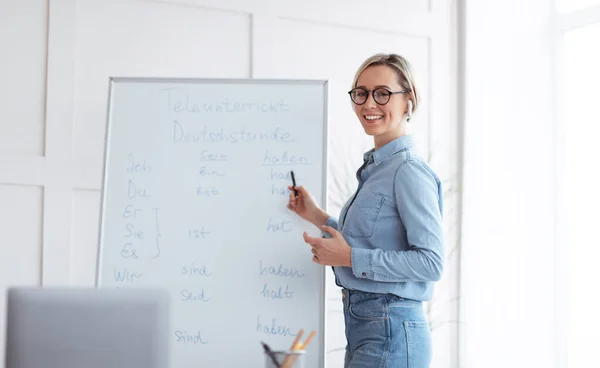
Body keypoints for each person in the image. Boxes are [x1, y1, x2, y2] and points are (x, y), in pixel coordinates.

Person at [287, 53, 445, 368]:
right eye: (361, 93)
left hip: (391, 328)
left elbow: (431, 263)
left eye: (382, 93)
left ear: (408, 100)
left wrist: (349, 258)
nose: (369, 104)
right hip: (368, 327)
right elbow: (370, 242)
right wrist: (316, 215)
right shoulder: (377, 169)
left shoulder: (408, 171)